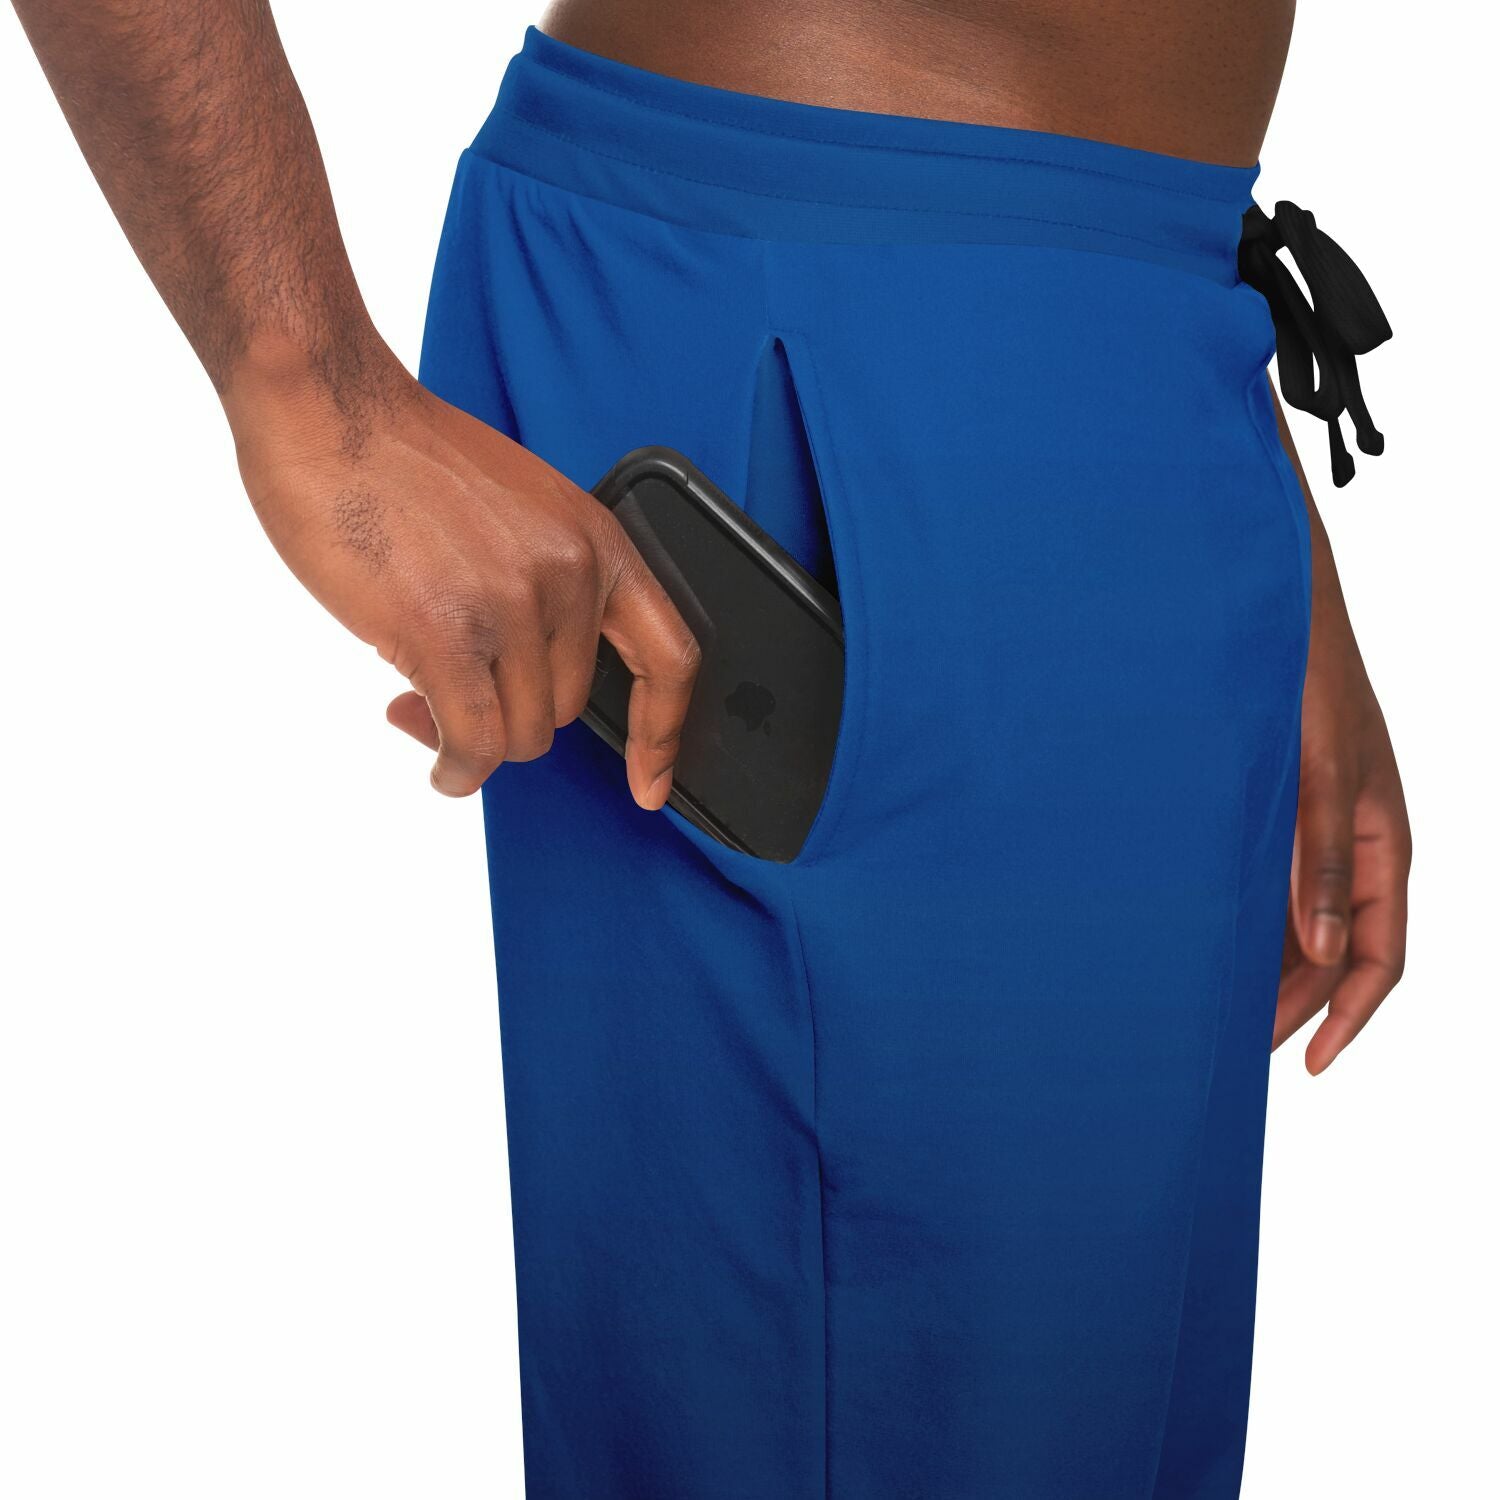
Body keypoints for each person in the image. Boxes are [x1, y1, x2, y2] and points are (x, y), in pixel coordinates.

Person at [12, 2, 1411, 1495]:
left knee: (1080, 1420)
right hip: (804, 316)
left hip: (1147, 343)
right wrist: (307, 380)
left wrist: (1256, 515)